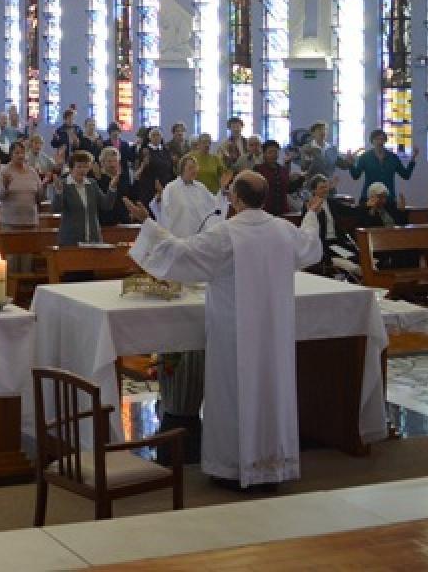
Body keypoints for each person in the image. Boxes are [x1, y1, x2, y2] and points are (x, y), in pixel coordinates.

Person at [129, 171, 322, 489]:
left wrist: (147, 224)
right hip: (273, 332)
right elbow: (310, 246)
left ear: (236, 198)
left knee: (232, 391)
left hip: (233, 332)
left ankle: (231, 468)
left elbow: (180, 254)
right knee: (271, 389)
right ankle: (271, 466)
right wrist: (312, 214)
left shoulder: (225, 235)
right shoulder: (283, 230)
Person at [55, 150, 114, 246]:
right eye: (79, 166)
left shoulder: (92, 184)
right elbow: (56, 208)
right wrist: (59, 193)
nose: (83, 170)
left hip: (93, 238)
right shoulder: (64, 184)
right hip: (71, 240)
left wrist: (112, 188)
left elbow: (106, 205)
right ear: (71, 168)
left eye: (86, 166)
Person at [344, 129, 418, 203]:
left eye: (382, 139)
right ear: (372, 141)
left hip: (388, 199)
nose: (380, 142)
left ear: (385, 141)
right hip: (369, 198)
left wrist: (413, 157)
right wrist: (350, 164)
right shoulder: (365, 157)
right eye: (377, 139)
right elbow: (355, 176)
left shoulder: (393, 157)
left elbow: (406, 175)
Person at [158, 155, 224, 237]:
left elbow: (213, 204)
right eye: (190, 168)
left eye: (195, 168)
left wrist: (223, 195)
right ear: (182, 169)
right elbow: (164, 212)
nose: (194, 171)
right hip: (179, 236)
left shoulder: (200, 187)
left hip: (199, 236)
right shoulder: (171, 188)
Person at [252, 140, 294, 215]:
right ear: (264, 154)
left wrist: (301, 179)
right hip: (264, 211)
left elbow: (288, 188)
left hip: (283, 210)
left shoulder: (283, 170)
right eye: (270, 152)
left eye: (275, 152)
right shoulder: (258, 169)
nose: (273, 155)